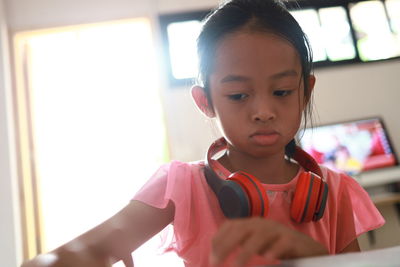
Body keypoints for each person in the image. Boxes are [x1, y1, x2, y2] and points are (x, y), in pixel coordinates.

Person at [21, 0, 385, 266]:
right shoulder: (182, 185)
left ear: (306, 91)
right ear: (205, 101)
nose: (263, 111)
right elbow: (86, 250)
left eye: (282, 92)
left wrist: (314, 258)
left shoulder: (336, 193)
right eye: (239, 95)